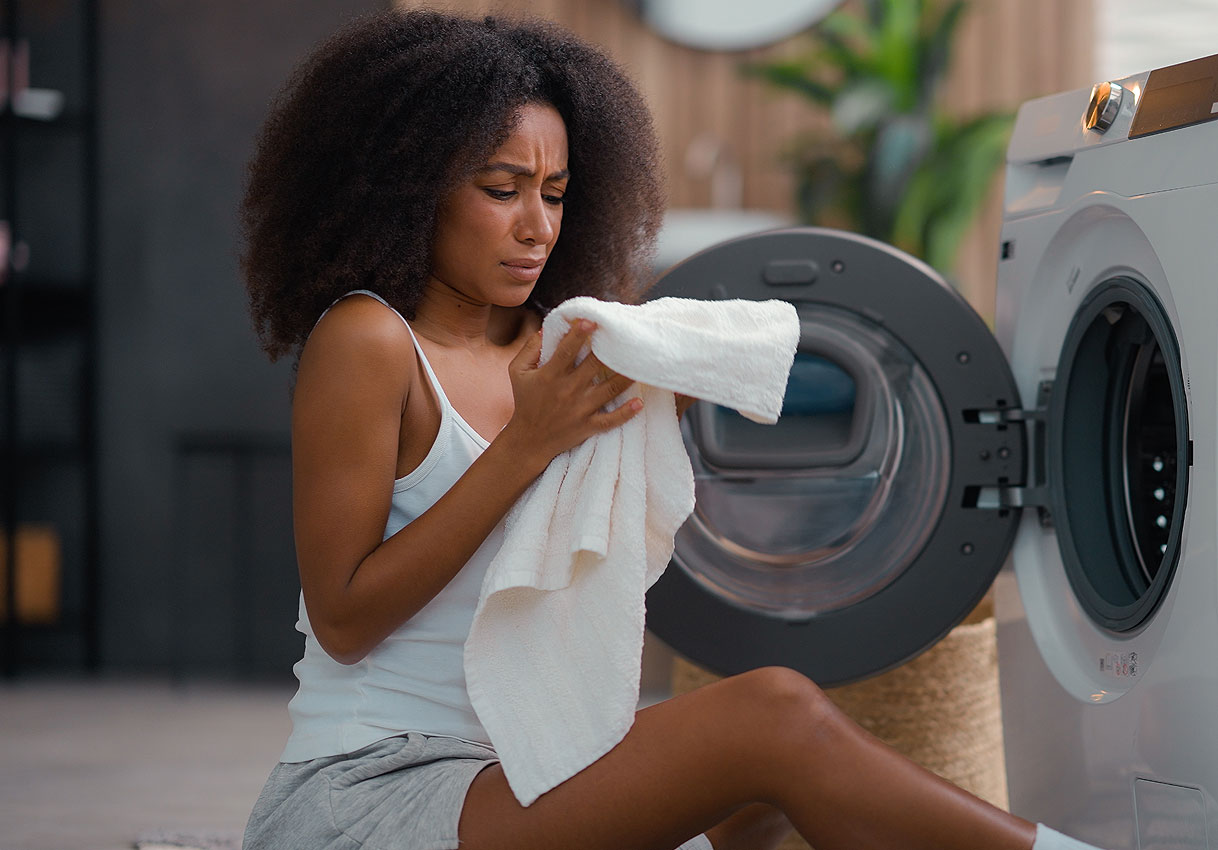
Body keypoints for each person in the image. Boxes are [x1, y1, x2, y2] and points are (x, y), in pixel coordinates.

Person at [239, 10, 1107, 850]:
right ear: (407, 187)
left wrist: (651, 420)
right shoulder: (370, 341)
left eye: (556, 193)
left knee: (756, 793)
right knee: (771, 714)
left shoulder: (563, 347)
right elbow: (344, 617)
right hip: (375, 794)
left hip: (521, 769)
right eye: (501, 191)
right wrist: (527, 447)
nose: (538, 227)